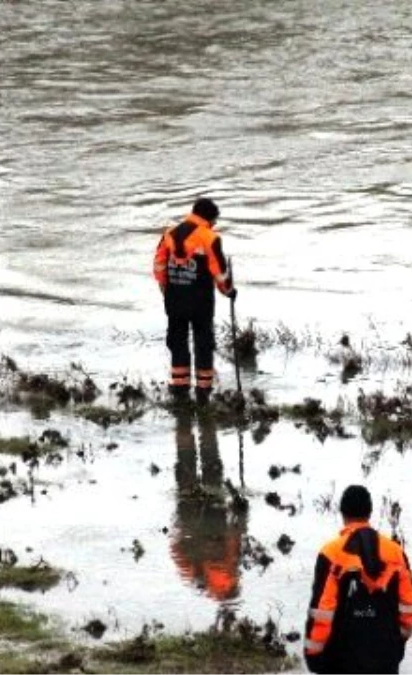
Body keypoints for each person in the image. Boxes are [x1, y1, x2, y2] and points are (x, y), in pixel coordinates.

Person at [304, 485, 412, 675]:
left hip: (340, 659)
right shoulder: (396, 552)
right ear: (370, 512)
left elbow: (322, 611)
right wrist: (398, 640)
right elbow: (410, 606)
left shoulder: (331, 553)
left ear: (342, 513)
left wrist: (314, 654)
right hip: (385, 658)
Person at [152, 197, 236, 405]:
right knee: (203, 343)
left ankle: (180, 389)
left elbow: (159, 265)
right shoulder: (210, 238)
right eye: (214, 221)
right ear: (210, 217)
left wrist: (166, 289)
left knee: (177, 341)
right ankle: (203, 391)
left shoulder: (169, 234)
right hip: (201, 302)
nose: (214, 225)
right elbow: (220, 273)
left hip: (174, 299)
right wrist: (229, 291)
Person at [169, 406, 244, 601]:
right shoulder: (198, 571)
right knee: (206, 468)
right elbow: (236, 533)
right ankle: (195, 419)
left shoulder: (193, 570)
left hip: (195, 518)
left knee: (197, 468)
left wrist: (186, 527)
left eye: (213, 557)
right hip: (209, 518)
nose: (213, 552)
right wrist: (240, 510)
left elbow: (176, 544)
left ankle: (187, 418)